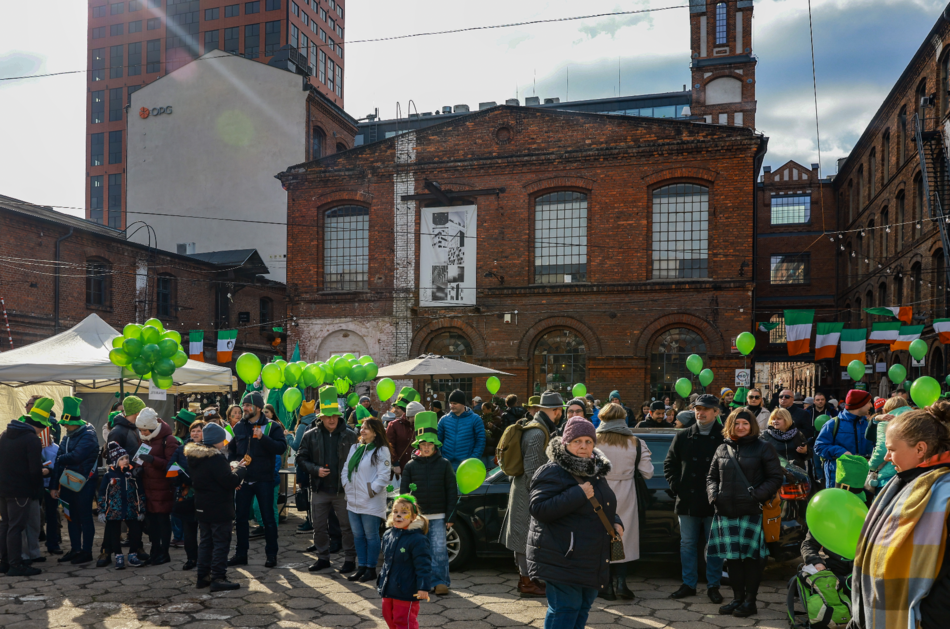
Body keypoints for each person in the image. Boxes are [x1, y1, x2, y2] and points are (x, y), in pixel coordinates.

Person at [849, 401, 950, 629]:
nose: (886, 457)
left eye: (892, 450)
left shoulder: (944, 490)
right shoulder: (903, 482)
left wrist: (928, 619)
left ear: (920, 449)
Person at [528, 417, 623, 628]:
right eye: (577, 441)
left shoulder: (594, 469)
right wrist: (577, 493)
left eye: (588, 441)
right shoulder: (552, 470)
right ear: (565, 443)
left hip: (590, 556)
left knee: (583, 606)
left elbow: (602, 503)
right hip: (563, 555)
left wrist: (616, 522)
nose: (583, 446)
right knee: (566, 608)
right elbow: (538, 509)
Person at [706, 408, 784, 618]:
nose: (740, 427)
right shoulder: (722, 448)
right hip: (725, 512)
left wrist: (756, 496)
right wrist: (714, 496)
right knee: (732, 560)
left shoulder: (764, 447)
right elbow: (711, 477)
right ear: (730, 425)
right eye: (737, 423)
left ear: (752, 426)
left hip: (751, 512)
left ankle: (750, 602)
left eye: (745, 423)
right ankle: (737, 599)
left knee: (751, 561)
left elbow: (775, 478)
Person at [664, 393, 726, 603]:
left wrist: (721, 492)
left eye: (705, 409)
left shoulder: (724, 437)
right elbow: (669, 464)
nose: (701, 413)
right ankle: (688, 584)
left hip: (714, 500)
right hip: (688, 500)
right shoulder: (683, 436)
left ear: (716, 412)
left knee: (714, 545)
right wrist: (678, 487)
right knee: (687, 544)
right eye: (698, 409)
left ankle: (713, 586)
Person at [500, 390, 562, 597]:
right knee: (523, 538)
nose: (560, 414)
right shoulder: (537, 433)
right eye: (560, 411)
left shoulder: (539, 427)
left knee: (527, 537)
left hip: (525, 491)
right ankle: (526, 582)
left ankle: (530, 579)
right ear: (555, 410)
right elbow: (532, 472)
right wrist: (541, 496)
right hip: (527, 493)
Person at [595, 402, 653, 601]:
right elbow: (648, 472)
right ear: (623, 419)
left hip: (600, 494)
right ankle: (621, 584)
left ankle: (605, 585)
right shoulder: (636, 442)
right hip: (627, 493)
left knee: (601, 537)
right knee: (623, 537)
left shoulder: (592, 441)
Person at [298, 385, 358, 574]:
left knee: (347, 527)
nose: (332, 419)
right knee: (319, 527)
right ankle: (323, 558)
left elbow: (359, 461)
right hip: (320, 489)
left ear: (339, 416)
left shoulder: (351, 435)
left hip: (343, 491)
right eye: (328, 416)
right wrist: (315, 470)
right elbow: (300, 458)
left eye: (335, 416)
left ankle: (350, 559)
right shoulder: (310, 435)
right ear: (321, 417)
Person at [227, 391, 287, 568]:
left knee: (268, 519)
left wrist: (263, 438)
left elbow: (281, 448)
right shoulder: (238, 427)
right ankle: (241, 554)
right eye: (244, 405)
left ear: (258, 407)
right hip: (243, 480)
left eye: (248, 405)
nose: (244, 408)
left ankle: (271, 555)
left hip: (264, 479)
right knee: (241, 518)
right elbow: (232, 451)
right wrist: (233, 466)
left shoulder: (272, 426)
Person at [399, 411, 457, 595]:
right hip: (418, 517)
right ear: (418, 445)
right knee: (419, 550)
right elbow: (403, 494)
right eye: (423, 444)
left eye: (430, 444)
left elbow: (451, 491)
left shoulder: (444, 464)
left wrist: (450, 515)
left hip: (439, 516)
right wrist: (406, 515)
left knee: (439, 550)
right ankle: (421, 582)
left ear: (435, 445)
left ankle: (440, 581)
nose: (426, 448)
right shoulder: (410, 466)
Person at [186, 422, 247, 592]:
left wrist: (231, 470)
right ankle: (218, 577)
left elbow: (214, 477)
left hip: (202, 504)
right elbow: (229, 481)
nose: (224, 442)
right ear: (217, 440)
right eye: (223, 440)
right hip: (219, 506)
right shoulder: (216, 458)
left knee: (206, 541)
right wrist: (241, 470)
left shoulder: (195, 456)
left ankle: (202, 576)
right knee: (221, 542)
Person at [0, 398, 50, 576]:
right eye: (42, 428)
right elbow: (34, 470)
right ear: (38, 425)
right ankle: (16, 565)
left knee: (5, 525)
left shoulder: (5, 434)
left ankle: (4, 562)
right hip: (20, 491)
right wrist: (41, 480)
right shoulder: (31, 439)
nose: (42, 432)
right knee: (16, 527)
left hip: (3, 489)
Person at [342, 417, 392, 583]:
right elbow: (346, 469)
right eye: (362, 427)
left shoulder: (381, 450)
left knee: (371, 536)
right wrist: (346, 485)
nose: (362, 430)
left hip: (371, 501)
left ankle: (371, 568)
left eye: (367, 428)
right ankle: (361, 567)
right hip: (353, 499)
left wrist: (371, 491)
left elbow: (384, 476)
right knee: (357, 535)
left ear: (375, 432)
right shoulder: (355, 447)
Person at [50, 396, 99, 566]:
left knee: (85, 517)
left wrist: (61, 458)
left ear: (75, 423)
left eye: (66, 423)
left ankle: (87, 551)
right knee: (70, 517)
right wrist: (54, 486)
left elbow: (75, 456)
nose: (64, 426)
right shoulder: (68, 436)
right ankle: (75, 549)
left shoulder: (89, 435)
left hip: (84, 483)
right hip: (68, 483)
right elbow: (61, 460)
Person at [377, 495, 431, 629]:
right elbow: (387, 562)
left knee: (403, 620)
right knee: (388, 615)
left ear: (413, 517)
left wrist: (423, 587)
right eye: (395, 511)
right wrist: (382, 580)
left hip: (407, 589)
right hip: (389, 587)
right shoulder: (388, 535)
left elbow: (423, 564)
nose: (398, 515)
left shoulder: (417, 539)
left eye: (404, 512)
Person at [133, 407, 178, 567]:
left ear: (152, 428)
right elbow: (139, 460)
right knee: (151, 523)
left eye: (144, 430)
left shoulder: (169, 440)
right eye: (140, 430)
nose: (142, 433)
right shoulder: (144, 440)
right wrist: (137, 468)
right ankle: (154, 551)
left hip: (163, 488)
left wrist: (153, 460)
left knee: (162, 521)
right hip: (148, 488)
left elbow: (173, 465)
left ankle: (164, 553)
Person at [97, 442, 146, 570]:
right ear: (115, 461)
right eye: (122, 459)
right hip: (114, 510)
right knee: (114, 534)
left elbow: (139, 492)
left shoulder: (133, 475)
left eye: (127, 458)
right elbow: (103, 494)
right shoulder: (109, 475)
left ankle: (132, 555)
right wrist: (102, 510)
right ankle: (118, 555)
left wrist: (141, 510)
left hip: (131, 509)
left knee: (135, 532)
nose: (125, 461)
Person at [814, 389, 874, 489]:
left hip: (861, 479)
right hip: (838, 479)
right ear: (859, 404)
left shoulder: (867, 424)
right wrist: (841, 452)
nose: (871, 405)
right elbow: (819, 447)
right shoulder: (832, 424)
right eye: (868, 402)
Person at [167, 412, 203, 570]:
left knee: (206, 531)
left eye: (199, 431)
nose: (195, 433)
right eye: (193, 430)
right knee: (189, 530)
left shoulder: (209, 449)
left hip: (205, 495)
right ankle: (191, 559)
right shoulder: (181, 449)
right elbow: (170, 468)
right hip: (186, 495)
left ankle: (206, 559)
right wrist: (180, 478)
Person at [761, 408, 810, 523]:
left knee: (795, 511)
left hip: (795, 479)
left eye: (779, 419)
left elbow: (808, 455)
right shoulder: (764, 436)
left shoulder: (798, 434)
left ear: (787, 420)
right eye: (773, 419)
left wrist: (805, 452)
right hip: (775, 477)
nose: (775, 421)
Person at [865, 397, 910, 494]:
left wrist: (871, 466)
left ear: (884, 410)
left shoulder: (886, 422)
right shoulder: (918, 419)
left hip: (889, 475)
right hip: (915, 472)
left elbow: (882, 450)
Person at [437, 389, 486, 471]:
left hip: (467, 465)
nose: (452, 406)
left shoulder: (475, 419)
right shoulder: (444, 420)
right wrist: (441, 458)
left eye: (455, 403)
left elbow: (480, 441)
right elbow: (438, 440)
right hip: (446, 464)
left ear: (463, 404)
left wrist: (472, 460)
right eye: (450, 403)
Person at [387, 399, 420, 477]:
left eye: (398, 408)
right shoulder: (394, 425)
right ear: (412, 415)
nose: (395, 410)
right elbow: (389, 445)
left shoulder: (421, 426)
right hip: (399, 468)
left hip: (417, 468)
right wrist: (395, 463)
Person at [479, 401, 504, 468]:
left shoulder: (498, 419)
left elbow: (501, 433)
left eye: (484, 409)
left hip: (492, 450)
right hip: (483, 449)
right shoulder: (481, 419)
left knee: (492, 469)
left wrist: (493, 427)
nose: (482, 411)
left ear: (489, 409)